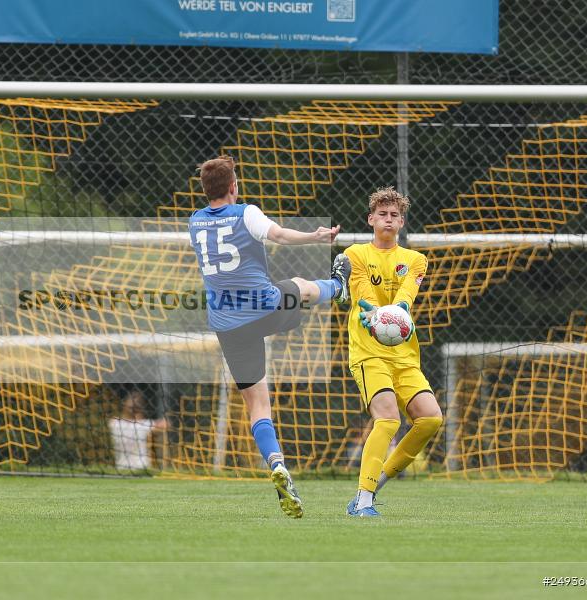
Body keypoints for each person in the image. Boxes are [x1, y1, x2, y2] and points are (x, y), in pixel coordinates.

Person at [188, 155, 350, 518]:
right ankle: (339, 287)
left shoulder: (194, 222)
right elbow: (277, 235)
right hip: (265, 308)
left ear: (205, 189)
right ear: (233, 187)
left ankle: (275, 462)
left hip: (228, 325)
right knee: (303, 287)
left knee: (258, 405)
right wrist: (316, 236)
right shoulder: (246, 212)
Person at [341, 187, 443, 517]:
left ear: (402, 222)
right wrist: (372, 312)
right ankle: (365, 501)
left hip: (404, 354)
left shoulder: (415, 260)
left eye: (394, 215)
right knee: (387, 419)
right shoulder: (354, 255)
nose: (388, 219)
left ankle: (373, 486)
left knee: (430, 419)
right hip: (368, 352)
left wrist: (395, 313)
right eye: (382, 214)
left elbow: (405, 297)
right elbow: (362, 295)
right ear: (371, 219)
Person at [108, 388, 167, 471]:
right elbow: (163, 424)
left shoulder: (115, 423)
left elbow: (164, 425)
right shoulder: (116, 423)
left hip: (139, 468)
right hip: (128, 467)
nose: (135, 403)